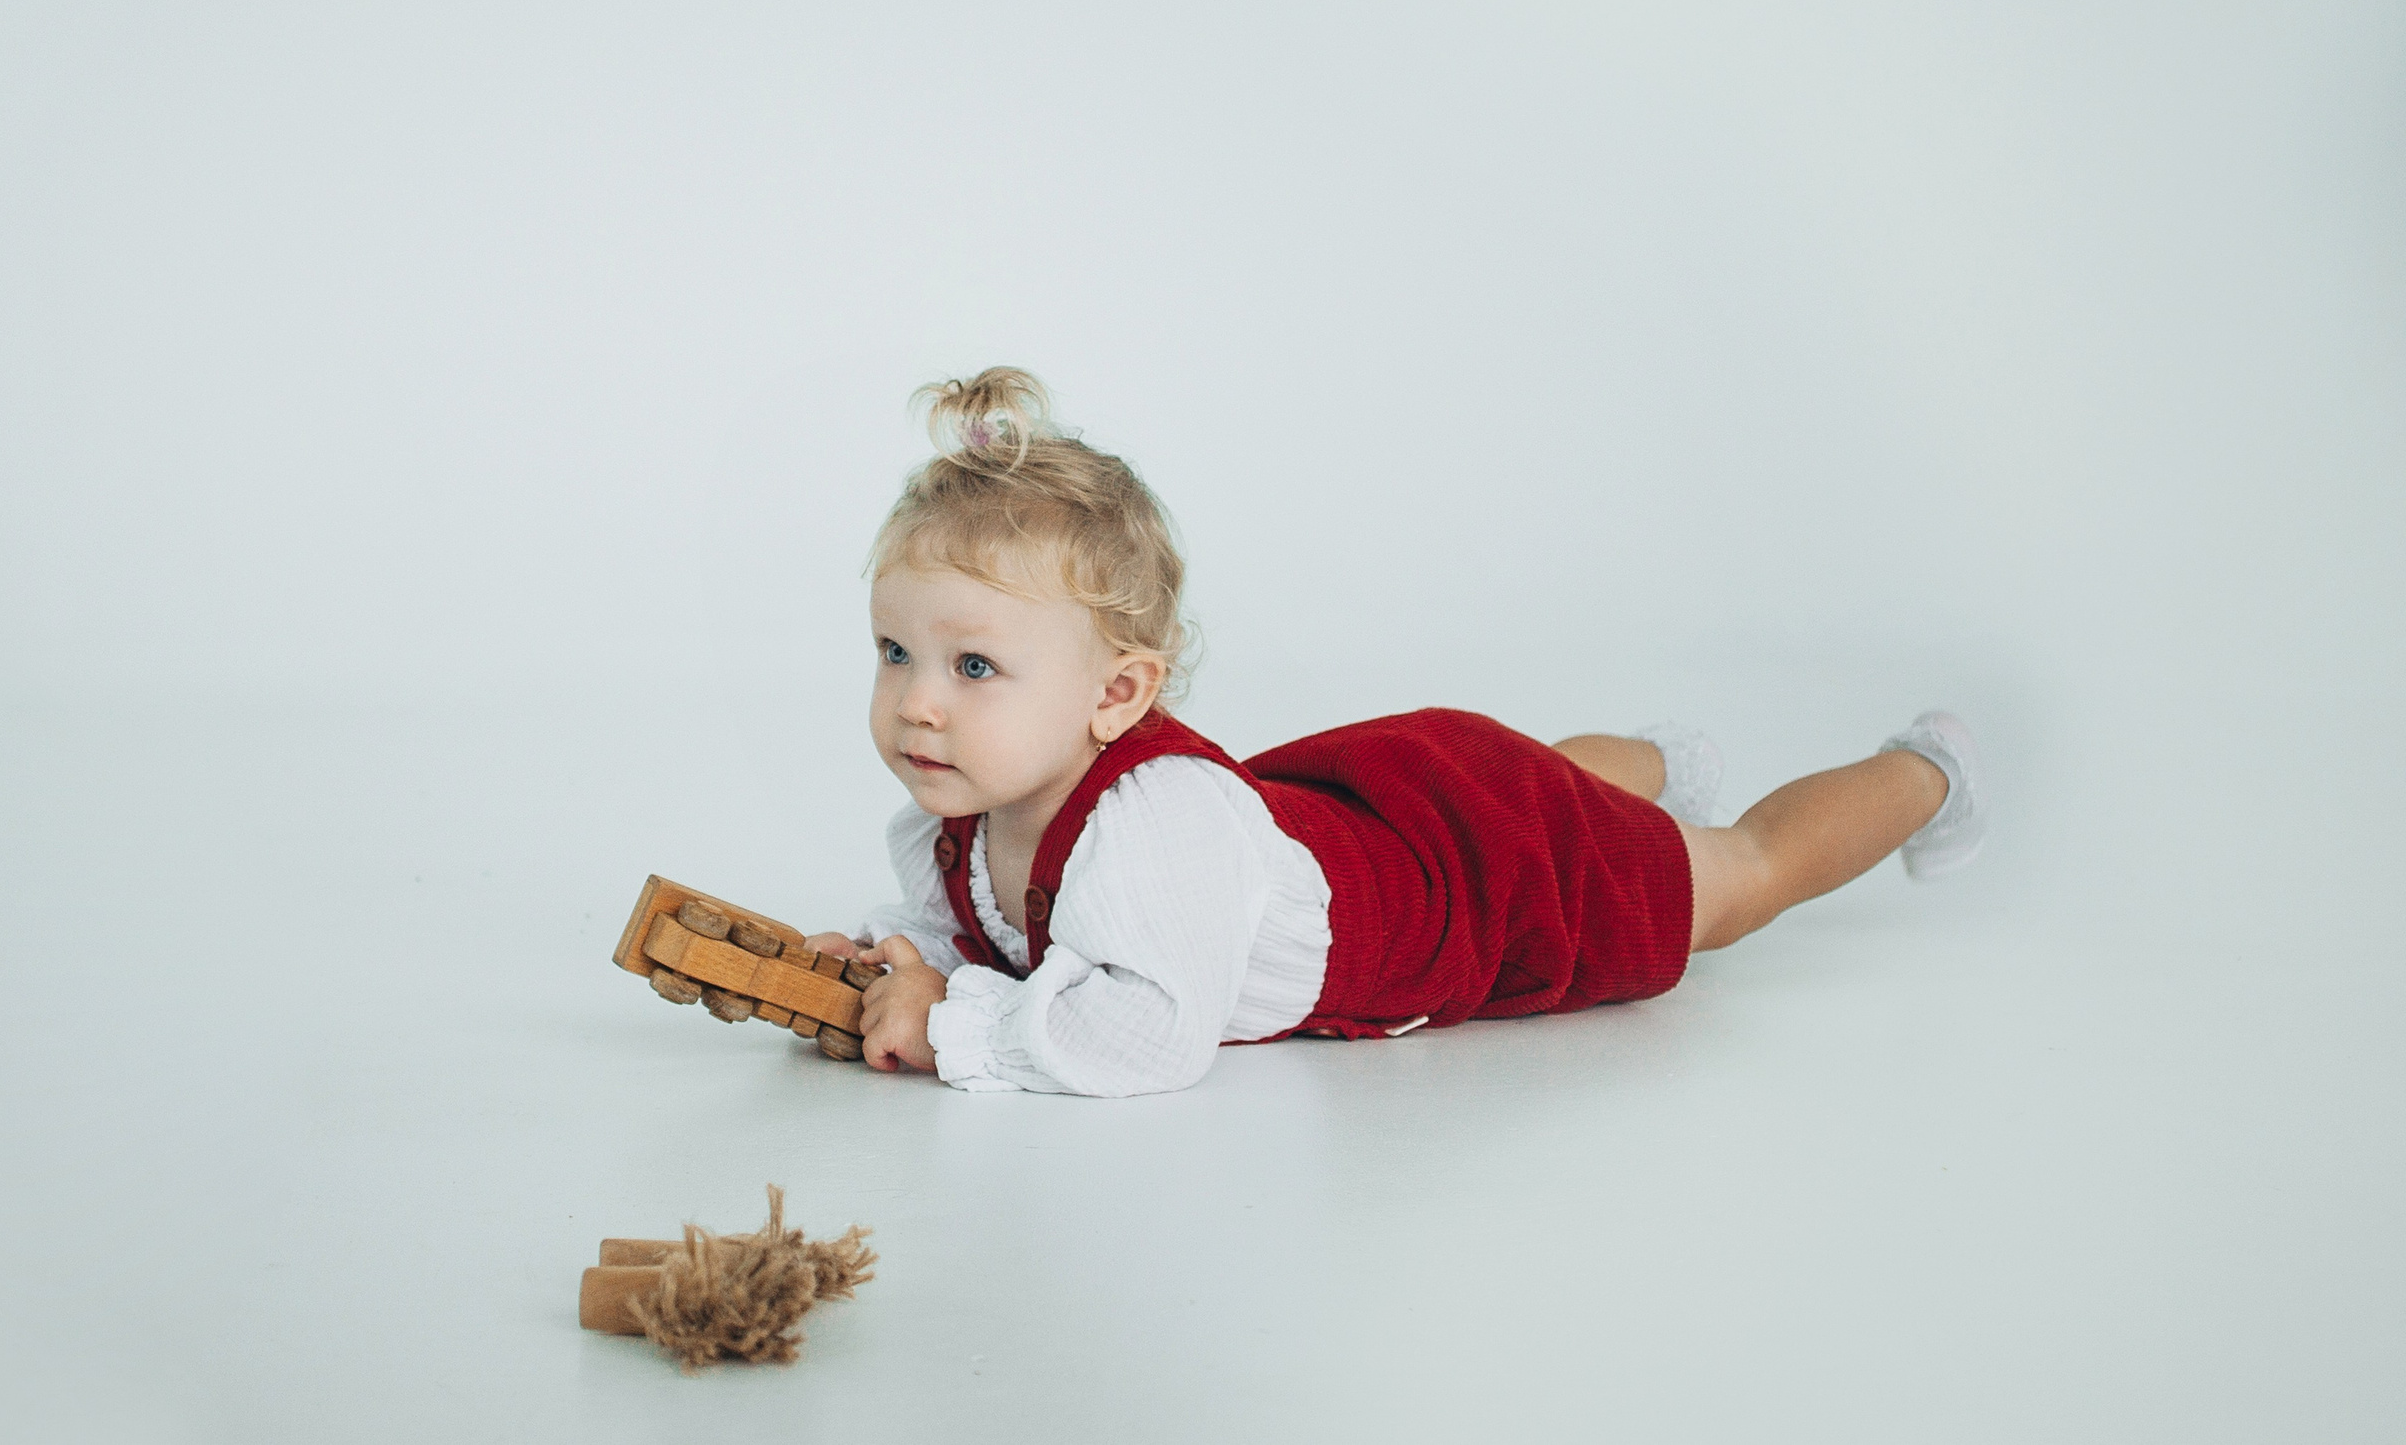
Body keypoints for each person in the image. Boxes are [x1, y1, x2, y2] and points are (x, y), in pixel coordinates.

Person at [801, 367, 1986, 1097]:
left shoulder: (1153, 828)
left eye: (973, 667)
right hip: (1400, 808)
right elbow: (982, 936)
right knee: (1531, 791)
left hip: (1455, 892)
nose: (918, 702)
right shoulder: (960, 812)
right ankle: (1660, 763)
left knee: (1731, 881)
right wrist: (895, 966)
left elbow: (1152, 1038)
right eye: (894, 652)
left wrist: (952, 1027)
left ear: (1117, 696)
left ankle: (1925, 771)